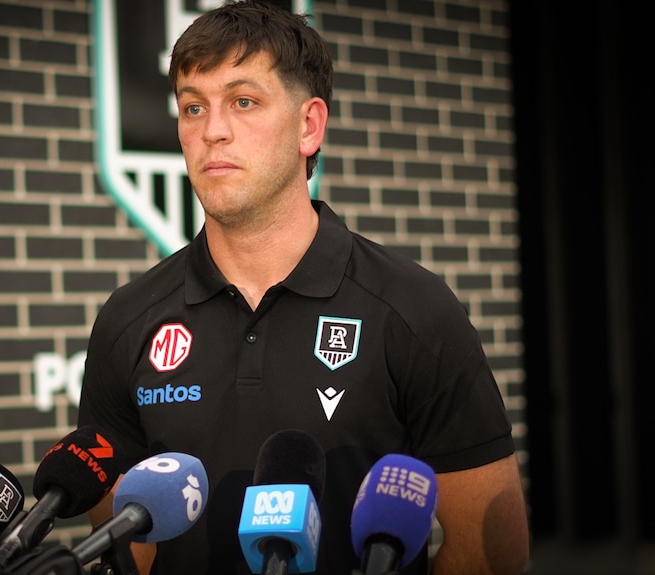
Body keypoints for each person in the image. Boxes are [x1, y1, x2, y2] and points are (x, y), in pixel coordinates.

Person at [77, 1, 530, 574]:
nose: (212, 131)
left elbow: (494, 547)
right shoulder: (126, 319)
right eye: (193, 107)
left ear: (309, 126)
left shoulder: (414, 309)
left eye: (243, 102)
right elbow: (122, 548)